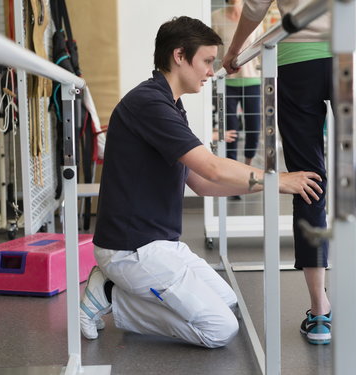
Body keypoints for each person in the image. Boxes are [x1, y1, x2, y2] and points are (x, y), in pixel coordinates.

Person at [79, 15, 323, 349]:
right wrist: (276, 179)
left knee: (228, 303)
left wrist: (266, 185)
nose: (211, 70)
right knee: (219, 330)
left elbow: (203, 184)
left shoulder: (171, 105)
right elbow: (211, 168)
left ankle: (114, 289)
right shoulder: (149, 103)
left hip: (160, 244)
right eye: (207, 61)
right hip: (131, 250)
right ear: (179, 56)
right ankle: (110, 296)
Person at [223, 0, 356, 346]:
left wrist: (235, 51)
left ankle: (320, 313)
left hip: (297, 60)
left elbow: (254, 5)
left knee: (307, 180)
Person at [212, 0, 264, 168]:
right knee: (230, 128)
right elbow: (214, 52)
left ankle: (248, 166)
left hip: (252, 80)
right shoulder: (216, 17)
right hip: (227, 82)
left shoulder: (256, 17)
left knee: (253, 127)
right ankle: (233, 169)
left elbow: (261, 49)